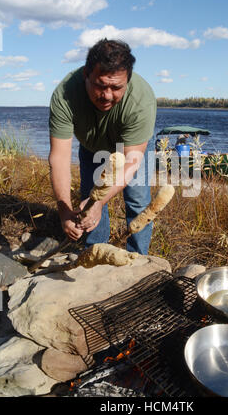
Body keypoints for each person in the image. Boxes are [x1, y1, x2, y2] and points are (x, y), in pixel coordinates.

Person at [48, 39, 157, 255]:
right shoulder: (65, 94)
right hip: (92, 148)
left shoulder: (141, 100)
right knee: (89, 199)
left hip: (129, 150)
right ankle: (94, 253)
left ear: (128, 80)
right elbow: (59, 158)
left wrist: (101, 199)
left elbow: (131, 162)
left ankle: (137, 258)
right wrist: (64, 210)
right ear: (86, 75)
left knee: (137, 201)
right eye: (100, 85)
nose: (107, 95)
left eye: (116, 88)